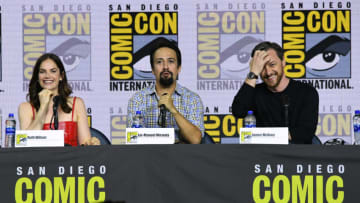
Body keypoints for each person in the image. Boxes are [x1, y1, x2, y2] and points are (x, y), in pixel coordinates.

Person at [231, 41, 319, 144]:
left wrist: (261, 136)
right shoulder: (254, 92)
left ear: (283, 62)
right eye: (262, 67)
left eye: (272, 64)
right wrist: (253, 72)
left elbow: (305, 133)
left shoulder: (307, 92)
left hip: (296, 156)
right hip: (262, 156)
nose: (268, 72)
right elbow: (238, 111)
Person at [127, 37, 204, 144]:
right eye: (159, 62)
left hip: (183, 159)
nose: (165, 67)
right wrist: (169, 138)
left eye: (171, 61)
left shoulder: (192, 99)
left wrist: (174, 111)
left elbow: (195, 139)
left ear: (179, 68)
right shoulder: (138, 99)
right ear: (153, 70)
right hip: (149, 158)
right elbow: (133, 139)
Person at [18, 53, 99, 146]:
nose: (47, 76)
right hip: (39, 160)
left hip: (71, 160)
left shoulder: (77, 103)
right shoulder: (25, 107)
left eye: (53, 71)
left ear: (61, 76)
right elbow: (24, 144)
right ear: (37, 77)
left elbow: (85, 145)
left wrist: (91, 143)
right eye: (42, 71)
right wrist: (43, 107)